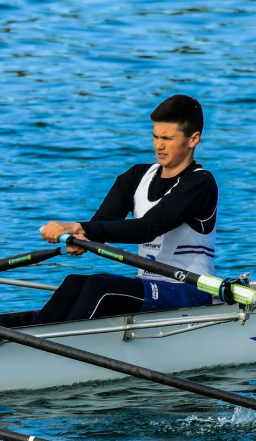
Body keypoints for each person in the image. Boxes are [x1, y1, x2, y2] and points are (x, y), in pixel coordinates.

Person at [35, 94, 217, 323]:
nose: (159, 145)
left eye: (168, 138)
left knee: (99, 287)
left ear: (193, 139)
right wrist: (81, 237)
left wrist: (81, 227)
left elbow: (148, 227)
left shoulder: (200, 183)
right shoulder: (136, 176)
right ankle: (29, 340)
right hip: (150, 287)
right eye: (155, 136)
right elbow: (103, 222)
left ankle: (49, 348)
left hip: (190, 291)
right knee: (74, 282)